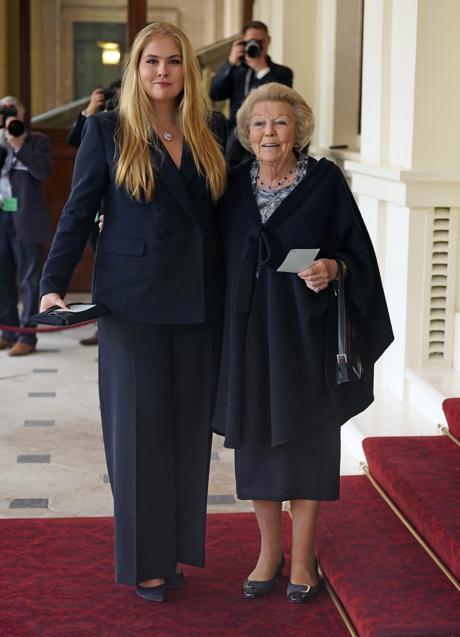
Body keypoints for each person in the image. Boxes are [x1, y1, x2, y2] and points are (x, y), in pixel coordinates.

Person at [39, 22, 227, 602]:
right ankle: (146, 562)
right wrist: (51, 286)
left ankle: (173, 551)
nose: (162, 71)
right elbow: (77, 212)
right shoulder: (107, 129)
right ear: (135, 69)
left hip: (199, 301)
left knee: (186, 434)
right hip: (134, 302)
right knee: (140, 435)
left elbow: (228, 217)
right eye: (151, 61)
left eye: (173, 61)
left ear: (187, 71)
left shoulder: (211, 130)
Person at [212, 83, 393, 603]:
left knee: (309, 446)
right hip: (248, 337)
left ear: (299, 131)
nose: (270, 132)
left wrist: (334, 267)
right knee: (258, 449)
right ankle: (269, 554)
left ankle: (306, 558)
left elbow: (358, 253)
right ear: (246, 134)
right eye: (260, 124)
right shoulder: (229, 186)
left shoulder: (324, 182)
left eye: (281, 122)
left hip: (307, 337)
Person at [67, 81, 121, 347]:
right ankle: (102, 324)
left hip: (126, 215)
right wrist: (91, 109)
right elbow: (73, 140)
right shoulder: (99, 123)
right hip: (96, 212)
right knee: (103, 268)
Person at [0, 96, 52, 356]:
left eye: (13, 111)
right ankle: (7, 331)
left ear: (22, 114)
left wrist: (19, 145)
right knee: (2, 277)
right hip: (2, 215)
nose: (9, 116)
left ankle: (27, 337)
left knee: (30, 279)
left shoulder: (36, 140)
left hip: (26, 218)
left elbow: (43, 172)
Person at [209, 20, 293, 165]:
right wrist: (229, 63)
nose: (255, 45)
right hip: (235, 136)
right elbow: (215, 93)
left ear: (268, 41)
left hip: (266, 133)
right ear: (243, 43)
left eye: (260, 41)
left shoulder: (282, 73)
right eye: (250, 42)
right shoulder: (236, 71)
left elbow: (283, 100)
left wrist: (262, 70)